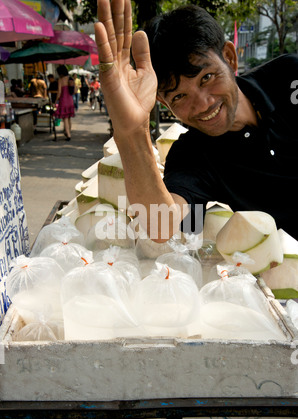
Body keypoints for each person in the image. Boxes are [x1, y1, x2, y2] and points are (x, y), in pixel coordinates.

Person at [94, 1, 298, 243]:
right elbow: (162, 226)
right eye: (180, 96)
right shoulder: (191, 155)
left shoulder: (290, 77)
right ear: (163, 102)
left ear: (230, 58)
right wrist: (132, 133)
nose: (203, 104)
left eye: (207, 77)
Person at [54, 65, 75, 141]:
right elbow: (74, 90)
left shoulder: (60, 80)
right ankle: (68, 132)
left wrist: (55, 101)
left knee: (65, 118)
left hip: (63, 101)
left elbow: (59, 92)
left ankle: (68, 135)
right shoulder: (70, 78)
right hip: (70, 100)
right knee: (69, 118)